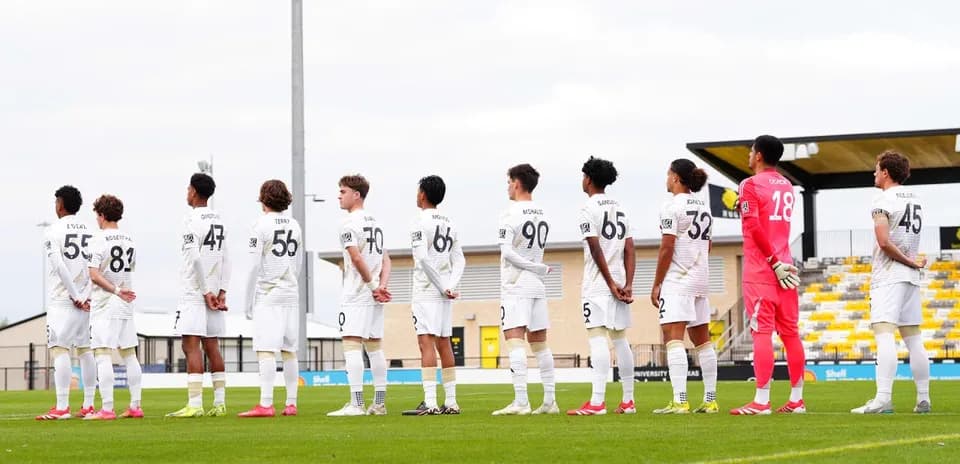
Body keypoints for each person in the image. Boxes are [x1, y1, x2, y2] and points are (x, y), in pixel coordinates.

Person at [730, 135, 805, 416]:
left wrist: (772, 262)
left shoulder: (749, 185)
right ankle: (796, 399)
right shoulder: (787, 186)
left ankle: (761, 400)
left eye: (751, 151)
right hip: (787, 267)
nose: (749, 156)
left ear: (759, 155)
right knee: (790, 333)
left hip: (764, 269)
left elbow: (754, 226)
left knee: (761, 332)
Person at [851, 151, 930, 414]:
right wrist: (913, 263)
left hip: (889, 275)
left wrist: (909, 261)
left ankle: (883, 398)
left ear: (885, 172)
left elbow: (884, 242)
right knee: (914, 338)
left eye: (876, 170)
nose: (874, 174)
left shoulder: (882, 199)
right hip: (910, 278)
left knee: (884, 334)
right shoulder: (916, 199)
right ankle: (923, 398)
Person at [567, 157, 637, 416]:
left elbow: (595, 247)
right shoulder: (621, 208)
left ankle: (597, 402)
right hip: (620, 280)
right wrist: (628, 283)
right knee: (620, 339)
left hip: (599, 284)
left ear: (588, 178)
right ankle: (628, 401)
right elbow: (630, 247)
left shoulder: (588, 208)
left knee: (597, 337)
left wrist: (609, 283)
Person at [650, 159, 719, 414]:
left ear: (676, 178)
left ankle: (680, 401)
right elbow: (708, 245)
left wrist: (657, 283)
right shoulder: (704, 207)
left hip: (678, 281)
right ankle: (710, 400)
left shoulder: (671, 206)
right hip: (701, 279)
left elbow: (666, 247)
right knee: (703, 341)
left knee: (672, 336)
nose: (666, 179)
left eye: (668, 174)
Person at [491, 164, 558, 416]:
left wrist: (535, 267)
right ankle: (550, 400)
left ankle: (521, 401)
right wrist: (537, 268)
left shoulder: (509, 214)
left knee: (515, 341)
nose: (507, 186)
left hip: (516, 283)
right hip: (537, 286)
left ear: (517, 183)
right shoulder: (543, 213)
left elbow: (507, 252)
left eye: (509, 181)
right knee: (540, 343)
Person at [167, 173, 232, 418]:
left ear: (194, 191)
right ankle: (220, 403)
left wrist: (205, 291)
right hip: (215, 292)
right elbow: (227, 258)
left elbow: (194, 257)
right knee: (212, 346)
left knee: (191, 346)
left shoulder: (190, 221)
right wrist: (221, 291)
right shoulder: (219, 221)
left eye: (188, 189)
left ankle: (195, 404)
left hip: (196, 292)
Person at [328, 174, 393, 417]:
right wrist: (381, 287)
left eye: (343, 191)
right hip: (374, 296)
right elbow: (387, 260)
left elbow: (356, 258)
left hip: (357, 294)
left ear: (356, 194)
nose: (339, 196)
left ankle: (356, 404)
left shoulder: (348, 224)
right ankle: (379, 403)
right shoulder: (377, 223)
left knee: (352, 346)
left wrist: (372, 286)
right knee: (375, 348)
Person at [238, 180, 304, 418]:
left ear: (263, 199)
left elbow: (254, 266)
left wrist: (247, 300)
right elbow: (298, 263)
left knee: (265, 349)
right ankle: (291, 403)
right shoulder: (295, 225)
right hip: (291, 292)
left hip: (268, 293)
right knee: (289, 350)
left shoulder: (259, 225)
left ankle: (266, 403)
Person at [402, 175, 465, 416]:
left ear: (423, 194)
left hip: (427, 291)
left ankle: (430, 402)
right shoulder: (451, 223)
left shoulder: (418, 222)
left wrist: (441, 286)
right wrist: (450, 285)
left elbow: (423, 258)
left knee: (425, 342)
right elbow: (460, 259)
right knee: (444, 342)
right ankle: (451, 402)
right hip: (444, 292)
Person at [36, 186, 97, 420]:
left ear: (60, 204)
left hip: (64, 299)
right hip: (86, 299)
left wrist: (74, 295)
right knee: (84, 350)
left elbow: (59, 266)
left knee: (59, 349)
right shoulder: (91, 232)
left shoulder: (53, 230)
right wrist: (86, 294)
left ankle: (62, 406)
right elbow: (96, 267)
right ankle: (89, 405)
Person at [84, 195, 143, 420]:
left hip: (106, 303)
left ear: (102, 215)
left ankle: (107, 408)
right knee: (129, 354)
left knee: (102, 354)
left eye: (97, 215)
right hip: (126, 304)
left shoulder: (98, 239)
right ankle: (135, 406)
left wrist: (115, 291)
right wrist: (121, 291)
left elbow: (94, 274)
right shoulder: (130, 239)